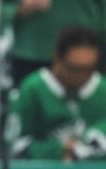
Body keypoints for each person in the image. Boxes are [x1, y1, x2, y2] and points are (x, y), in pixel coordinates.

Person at [8, 25, 106, 161]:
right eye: (74, 68)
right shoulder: (33, 89)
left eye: (89, 69)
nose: (82, 75)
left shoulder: (103, 89)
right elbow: (15, 144)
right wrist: (58, 151)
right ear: (56, 58)